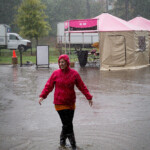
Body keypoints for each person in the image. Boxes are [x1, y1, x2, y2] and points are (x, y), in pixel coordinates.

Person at [38, 54, 93, 150]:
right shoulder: (55, 74)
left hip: (71, 103)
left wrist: (88, 97)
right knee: (68, 125)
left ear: (67, 62)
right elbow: (48, 86)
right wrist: (42, 96)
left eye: (63, 62)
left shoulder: (74, 74)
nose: (61, 64)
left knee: (66, 125)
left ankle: (62, 144)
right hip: (59, 104)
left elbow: (81, 86)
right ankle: (74, 146)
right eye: (60, 62)